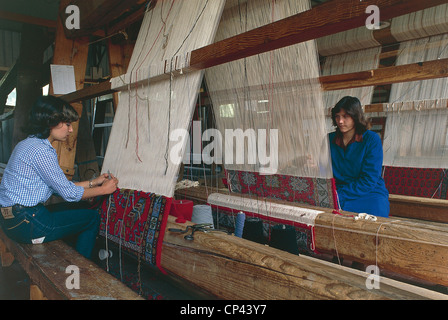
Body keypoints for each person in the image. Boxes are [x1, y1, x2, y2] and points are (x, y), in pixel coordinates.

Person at [0, 95, 119, 258]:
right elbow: (69, 194)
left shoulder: (27, 144)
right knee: (91, 218)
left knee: (79, 209)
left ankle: (80, 253)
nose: (71, 130)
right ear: (50, 122)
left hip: (13, 221)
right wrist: (104, 190)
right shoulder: (42, 151)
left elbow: (59, 187)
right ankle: (83, 267)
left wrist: (94, 182)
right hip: (27, 224)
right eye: (68, 124)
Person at [328, 96, 389, 218]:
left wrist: (338, 195)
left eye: (345, 116)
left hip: (368, 193)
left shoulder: (371, 139)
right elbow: (324, 171)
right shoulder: (329, 139)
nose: (340, 121)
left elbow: (369, 180)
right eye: (337, 116)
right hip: (338, 191)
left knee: (374, 214)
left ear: (355, 117)